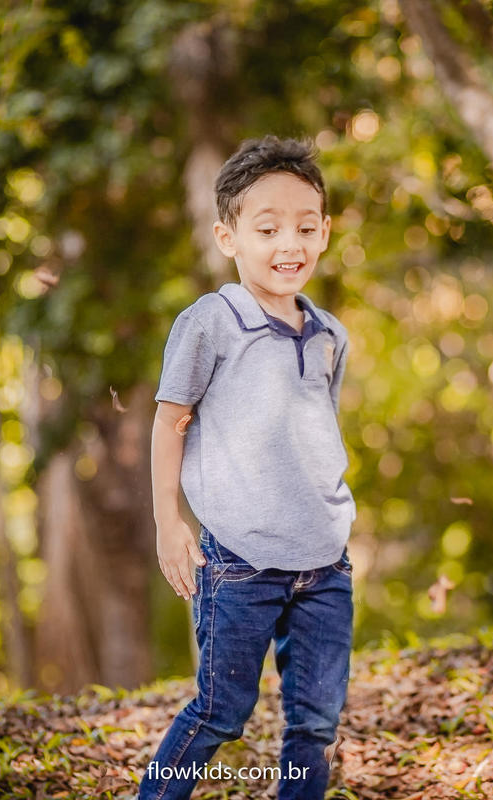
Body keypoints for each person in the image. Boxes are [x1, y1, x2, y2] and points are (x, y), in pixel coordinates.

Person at [137, 135, 356, 800]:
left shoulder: (330, 335)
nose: (290, 244)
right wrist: (169, 522)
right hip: (240, 561)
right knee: (219, 713)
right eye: (268, 229)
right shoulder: (212, 322)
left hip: (326, 563)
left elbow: (315, 435)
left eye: (306, 228)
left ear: (324, 233)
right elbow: (169, 421)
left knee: (316, 723)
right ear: (228, 238)